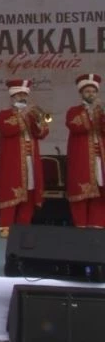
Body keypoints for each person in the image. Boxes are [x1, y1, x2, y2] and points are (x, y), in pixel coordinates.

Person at [0, 79, 49, 238]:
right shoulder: (3, 114)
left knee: (30, 191)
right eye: (19, 94)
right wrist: (23, 116)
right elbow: (7, 130)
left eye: (24, 94)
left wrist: (40, 120)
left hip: (30, 160)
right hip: (12, 161)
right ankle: (5, 225)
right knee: (11, 190)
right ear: (13, 96)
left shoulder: (32, 114)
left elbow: (42, 133)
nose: (22, 97)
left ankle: (23, 225)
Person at [66, 74, 105, 228]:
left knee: (101, 193)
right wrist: (90, 113)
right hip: (81, 158)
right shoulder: (74, 111)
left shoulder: (102, 110)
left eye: (93, 91)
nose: (91, 94)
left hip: (100, 158)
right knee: (81, 194)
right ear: (81, 93)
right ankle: (80, 226)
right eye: (87, 91)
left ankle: (97, 225)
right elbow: (76, 127)